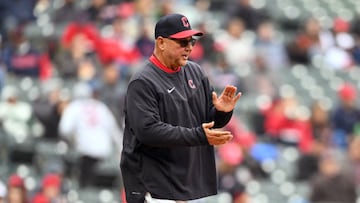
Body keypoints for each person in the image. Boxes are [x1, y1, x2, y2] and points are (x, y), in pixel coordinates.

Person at [120, 13, 241, 203]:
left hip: (185, 182)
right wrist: (198, 136)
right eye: (182, 42)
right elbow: (148, 131)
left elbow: (206, 122)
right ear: (161, 42)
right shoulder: (143, 81)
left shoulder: (195, 72)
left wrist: (222, 113)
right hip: (153, 185)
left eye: (191, 42)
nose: (189, 47)